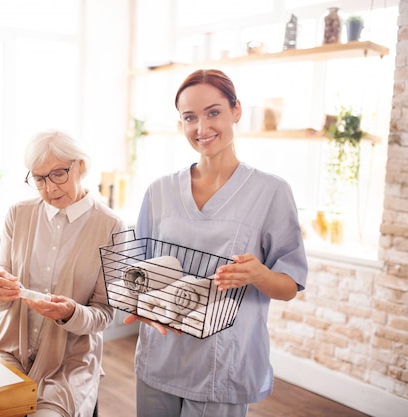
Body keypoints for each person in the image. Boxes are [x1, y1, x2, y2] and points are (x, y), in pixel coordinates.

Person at [124, 69, 308, 417]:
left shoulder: (271, 192)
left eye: (213, 112)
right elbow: (139, 273)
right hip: (160, 357)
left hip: (223, 365)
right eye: (189, 117)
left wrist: (258, 275)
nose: (201, 128)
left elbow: (288, 287)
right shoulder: (159, 191)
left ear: (236, 111)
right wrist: (138, 304)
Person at [0, 129, 126, 417]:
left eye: (59, 173)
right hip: (8, 352)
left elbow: (104, 315)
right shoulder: (17, 215)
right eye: (39, 178)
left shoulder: (111, 227)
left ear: (81, 166)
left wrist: (69, 313)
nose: (50, 188)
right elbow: (0, 297)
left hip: (69, 364)